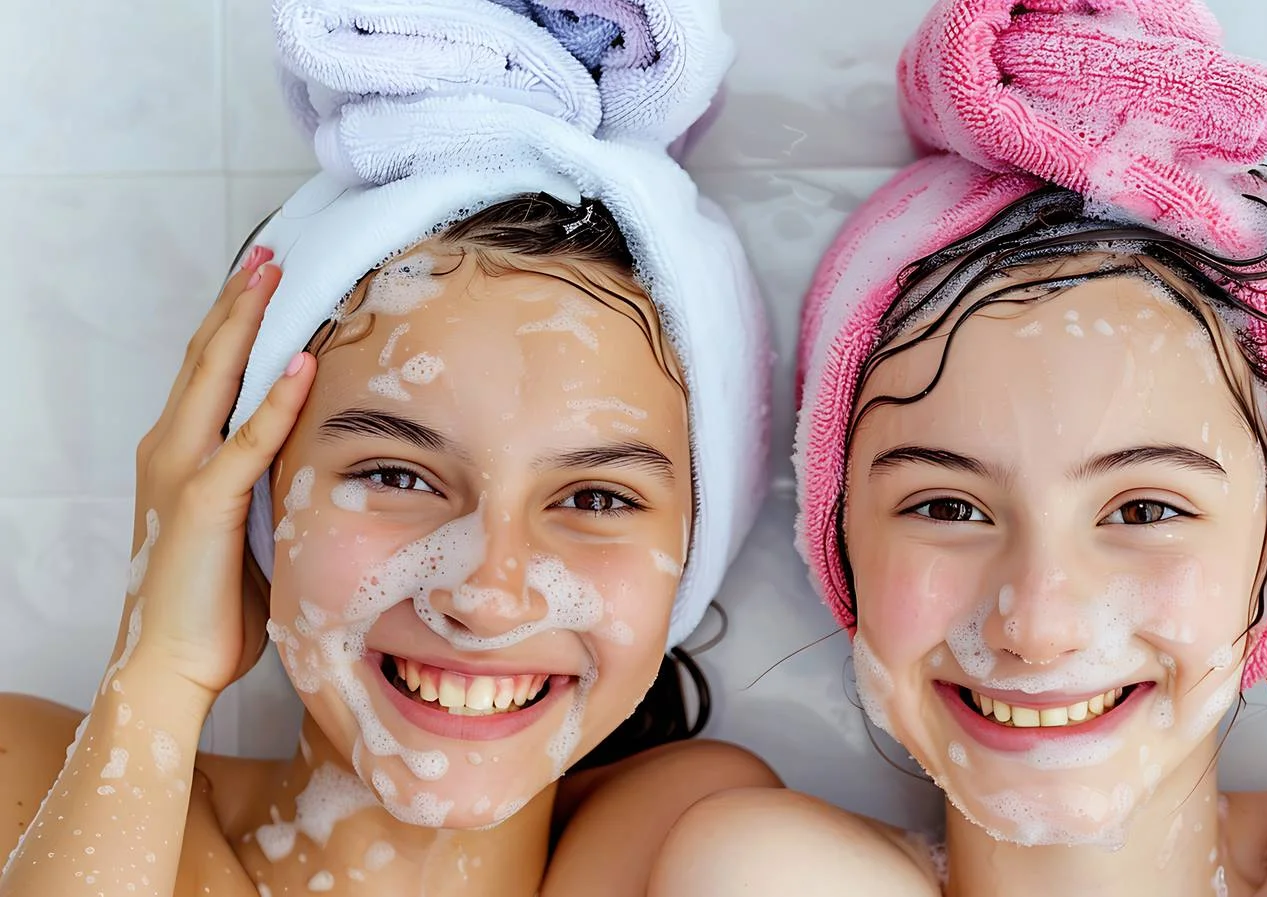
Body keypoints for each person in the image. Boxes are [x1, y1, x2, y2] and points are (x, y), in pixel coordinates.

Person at [648, 1, 1267, 894]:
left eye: (1145, 509)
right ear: (841, 537)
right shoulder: (763, 875)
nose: (1038, 622)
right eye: (949, 507)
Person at [0, 1, 777, 894]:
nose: (487, 595)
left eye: (596, 498)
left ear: (695, 554)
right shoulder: (25, 781)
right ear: (249, 493)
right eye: (397, 474)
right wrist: (154, 675)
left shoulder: (687, 846)